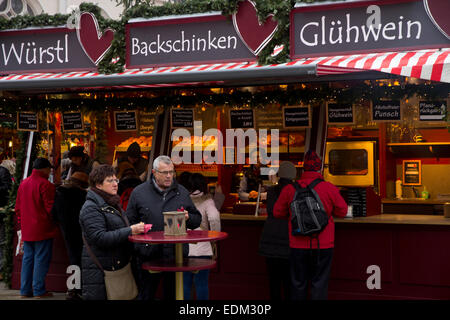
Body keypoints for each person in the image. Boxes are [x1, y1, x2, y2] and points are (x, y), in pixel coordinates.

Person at [273, 150, 347, 300]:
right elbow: (343, 211)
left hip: (297, 246)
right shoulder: (329, 188)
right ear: (319, 168)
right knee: (319, 285)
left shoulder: (289, 189)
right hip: (323, 245)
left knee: (298, 284)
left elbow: (277, 213)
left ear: (303, 168)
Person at [126, 155, 202, 300]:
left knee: (173, 295)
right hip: (147, 255)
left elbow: (197, 220)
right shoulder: (139, 193)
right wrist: (138, 243)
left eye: (171, 172)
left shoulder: (182, 192)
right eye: (164, 173)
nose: (169, 176)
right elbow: (129, 222)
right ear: (154, 173)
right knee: (146, 295)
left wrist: (188, 217)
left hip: (176, 255)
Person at [79, 164, 145, 300]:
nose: (115, 184)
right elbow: (100, 238)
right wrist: (130, 230)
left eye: (116, 180)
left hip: (116, 266)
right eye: (110, 181)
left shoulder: (111, 203)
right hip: (101, 273)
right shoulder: (91, 208)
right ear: (98, 185)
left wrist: (134, 229)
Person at [15, 158, 58, 298]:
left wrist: (23, 223)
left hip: (28, 228)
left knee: (28, 259)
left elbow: (18, 208)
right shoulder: (46, 185)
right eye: (49, 168)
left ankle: (25, 290)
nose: (50, 171)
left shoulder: (23, 183)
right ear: (44, 169)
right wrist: (55, 222)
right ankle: (39, 290)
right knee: (41, 259)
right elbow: (50, 208)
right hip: (43, 228)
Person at [258, 161, 297, 300]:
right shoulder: (295, 191)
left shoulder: (271, 192)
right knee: (289, 283)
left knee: (273, 283)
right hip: (289, 242)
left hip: (269, 241)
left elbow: (271, 211)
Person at [181, 173, 221, 300]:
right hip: (203, 248)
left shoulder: (182, 199)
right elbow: (214, 218)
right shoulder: (208, 201)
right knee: (202, 284)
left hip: (184, 248)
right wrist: (214, 238)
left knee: (185, 284)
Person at [51, 171, 89, 300]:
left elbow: (53, 214)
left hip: (66, 229)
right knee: (80, 258)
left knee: (73, 258)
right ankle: (77, 288)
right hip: (81, 229)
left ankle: (73, 288)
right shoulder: (83, 195)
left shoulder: (59, 193)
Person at [0, 159, 15, 280]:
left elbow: (7, 188)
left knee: (2, 241)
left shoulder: (2, 171)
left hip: (1, 211)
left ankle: (2, 269)